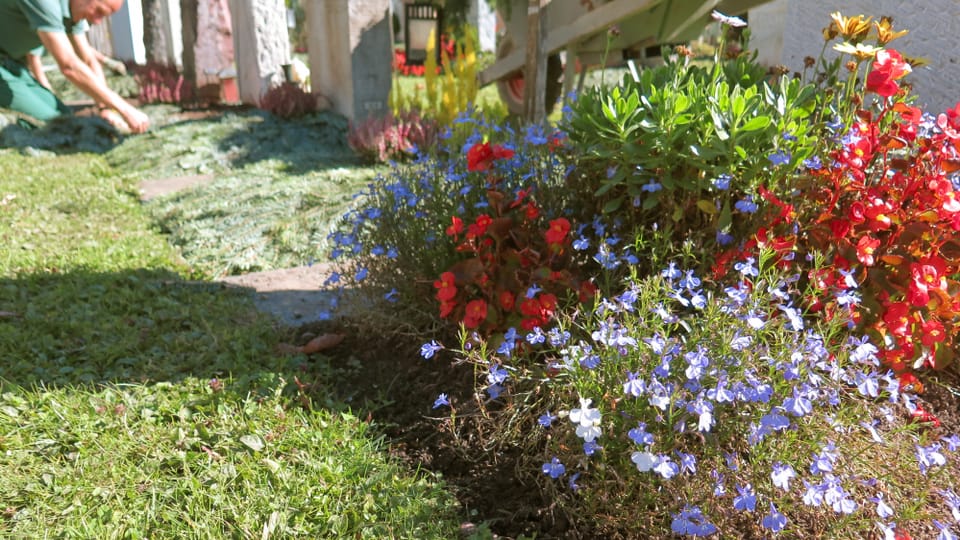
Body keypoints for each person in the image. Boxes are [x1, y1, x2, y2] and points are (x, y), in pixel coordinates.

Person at [0, 0, 149, 133]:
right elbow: (69, 65)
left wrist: (105, 108)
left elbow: (89, 61)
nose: (97, 21)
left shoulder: (73, 11)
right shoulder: (45, 3)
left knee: (65, 117)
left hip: (11, 64)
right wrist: (125, 110)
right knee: (54, 123)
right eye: (99, 11)